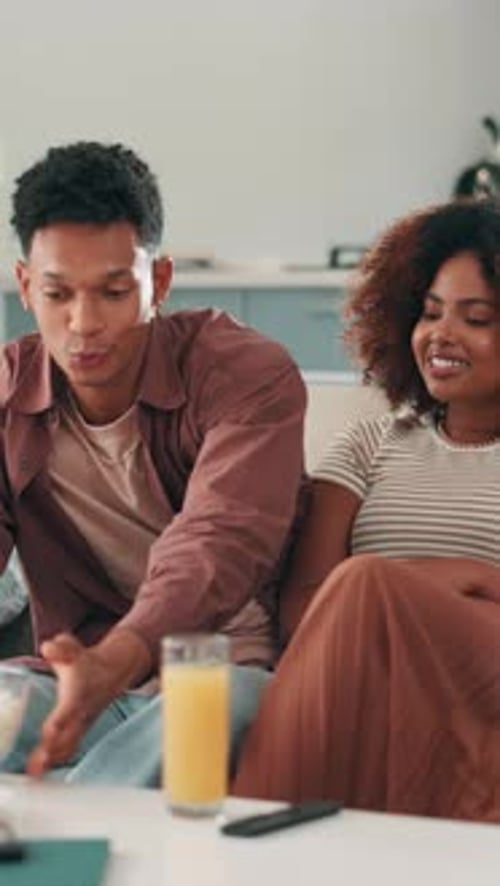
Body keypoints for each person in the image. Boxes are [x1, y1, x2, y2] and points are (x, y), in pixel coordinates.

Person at [0, 140, 307, 784]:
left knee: (225, 708)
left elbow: (218, 541)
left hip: (221, 673)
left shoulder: (244, 375)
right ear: (26, 286)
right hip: (72, 683)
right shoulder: (8, 393)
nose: (83, 324)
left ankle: (67, 850)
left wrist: (114, 661)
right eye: (58, 293)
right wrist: (91, 674)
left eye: (113, 292)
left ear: (158, 281)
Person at [232, 199, 500, 822]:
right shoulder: (370, 442)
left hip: (483, 674)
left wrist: (389, 586)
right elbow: (305, 609)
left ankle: (246, 832)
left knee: (362, 581)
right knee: (361, 585)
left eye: (477, 317)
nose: (442, 335)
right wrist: (452, 577)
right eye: (429, 313)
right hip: (376, 678)